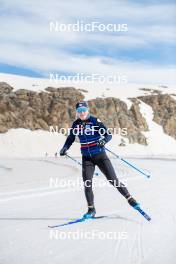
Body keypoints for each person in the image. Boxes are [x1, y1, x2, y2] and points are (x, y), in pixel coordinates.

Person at [60, 101, 139, 218]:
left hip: (100, 156)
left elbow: (108, 135)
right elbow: (71, 138)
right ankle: (91, 210)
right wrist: (65, 147)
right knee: (87, 184)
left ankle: (130, 199)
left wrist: (103, 141)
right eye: (79, 111)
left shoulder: (95, 121)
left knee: (113, 180)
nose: (82, 113)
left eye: (83, 110)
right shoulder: (76, 124)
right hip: (87, 158)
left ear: (87, 110)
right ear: (76, 112)